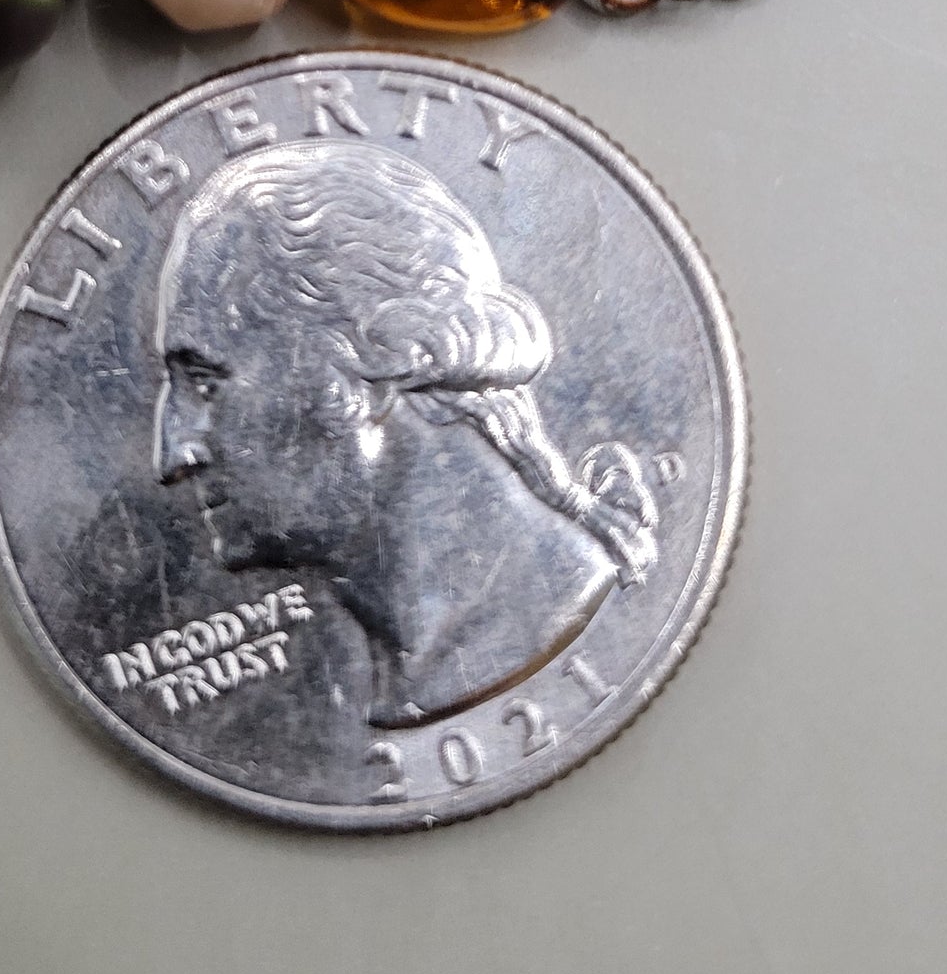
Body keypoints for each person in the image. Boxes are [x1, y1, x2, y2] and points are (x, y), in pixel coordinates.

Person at [151, 139, 658, 727]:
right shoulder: (434, 664)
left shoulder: (515, 626)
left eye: (207, 383)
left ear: (377, 356)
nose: (171, 456)